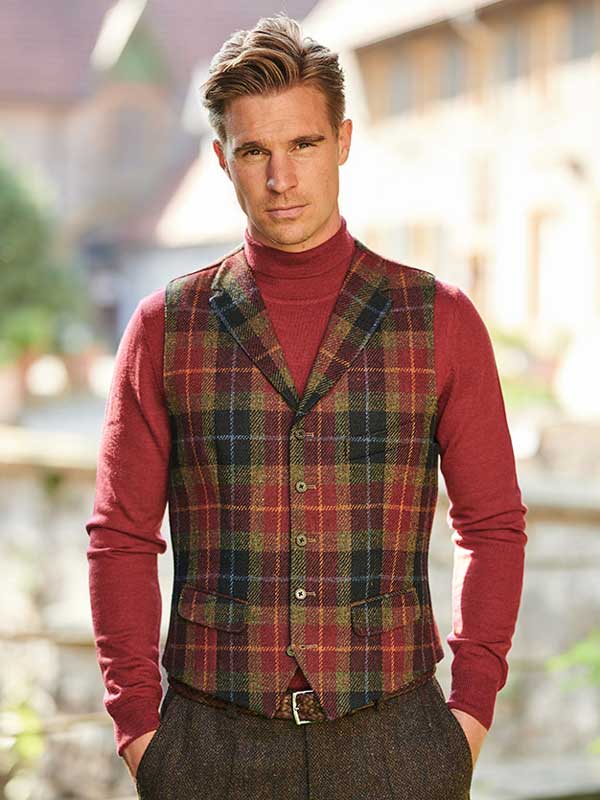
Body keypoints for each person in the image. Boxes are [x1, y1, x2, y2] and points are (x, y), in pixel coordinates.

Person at [86, 14, 528, 800]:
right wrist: (141, 733)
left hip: (398, 741)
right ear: (222, 158)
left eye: (303, 144)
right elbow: (121, 536)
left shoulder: (440, 319)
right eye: (255, 151)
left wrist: (467, 714)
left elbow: (491, 524)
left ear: (343, 140)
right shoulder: (165, 327)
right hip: (208, 744)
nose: (281, 178)